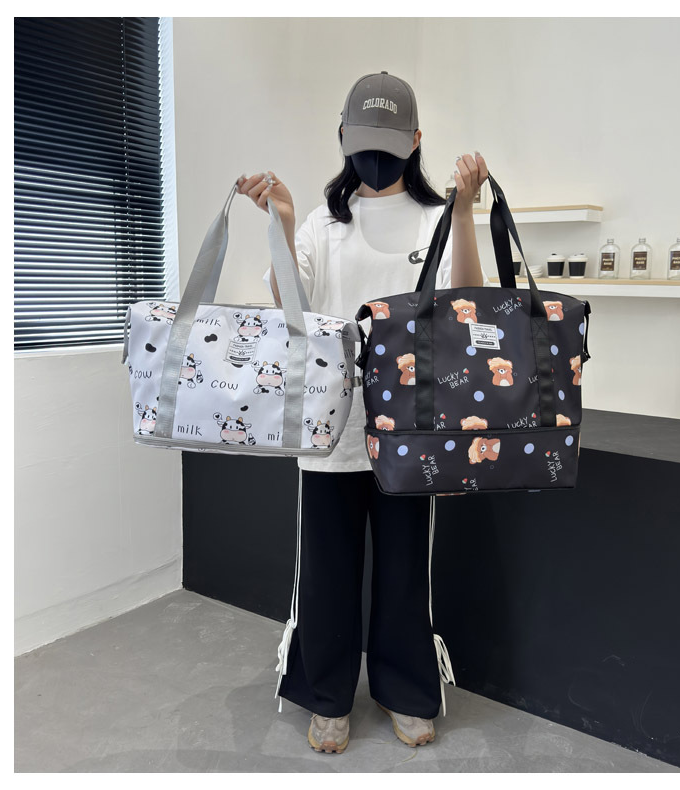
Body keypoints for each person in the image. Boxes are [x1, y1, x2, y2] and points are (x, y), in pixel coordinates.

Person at [237, 71, 490, 754]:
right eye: (364, 139)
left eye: (390, 141)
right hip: (331, 428)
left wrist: (466, 212)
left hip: (413, 430)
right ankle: (326, 694)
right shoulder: (324, 224)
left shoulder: (437, 219)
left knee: (406, 571)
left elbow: (467, 305)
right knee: (325, 571)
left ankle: (405, 688)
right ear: (344, 136)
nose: (376, 155)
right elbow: (292, 309)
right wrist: (282, 225)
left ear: (416, 140)